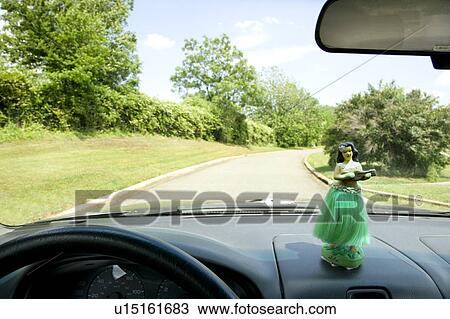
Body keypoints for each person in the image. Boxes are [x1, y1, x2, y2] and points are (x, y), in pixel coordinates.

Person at [313, 141, 373, 270]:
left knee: (354, 219)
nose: (348, 153)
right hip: (340, 193)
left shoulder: (357, 164)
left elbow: (360, 175)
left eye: (349, 151)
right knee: (338, 219)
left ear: (353, 151)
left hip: (354, 193)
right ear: (341, 153)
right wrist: (347, 175)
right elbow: (336, 176)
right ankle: (335, 242)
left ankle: (352, 244)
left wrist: (366, 176)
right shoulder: (340, 165)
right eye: (345, 152)